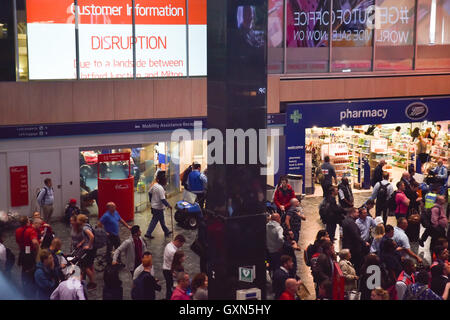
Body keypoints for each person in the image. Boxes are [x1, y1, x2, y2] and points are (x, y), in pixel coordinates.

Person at [15, 216, 40, 298]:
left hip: (22, 252)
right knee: (32, 269)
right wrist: (37, 250)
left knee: (24, 269)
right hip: (29, 253)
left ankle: (24, 285)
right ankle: (32, 290)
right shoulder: (31, 231)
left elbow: (18, 241)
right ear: (27, 222)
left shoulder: (17, 230)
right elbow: (35, 242)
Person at [145, 170, 173, 239]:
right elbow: (163, 199)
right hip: (158, 208)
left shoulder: (155, 185)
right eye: (165, 180)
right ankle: (148, 233)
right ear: (163, 181)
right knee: (155, 220)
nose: (166, 182)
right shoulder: (160, 188)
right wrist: (169, 205)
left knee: (161, 220)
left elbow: (149, 193)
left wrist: (151, 201)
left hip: (155, 207)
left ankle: (166, 231)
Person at [342, 207, 369, 274]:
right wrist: (364, 243)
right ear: (352, 213)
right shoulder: (351, 222)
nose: (358, 214)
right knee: (357, 265)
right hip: (353, 248)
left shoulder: (346, 220)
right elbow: (355, 235)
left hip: (348, 245)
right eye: (357, 212)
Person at [76, 214, 97, 290]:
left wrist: (88, 245)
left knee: (85, 266)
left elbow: (91, 236)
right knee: (90, 265)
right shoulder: (87, 225)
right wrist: (82, 243)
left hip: (89, 250)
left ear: (81, 221)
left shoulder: (85, 228)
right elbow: (86, 237)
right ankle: (92, 281)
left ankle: (92, 282)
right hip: (92, 249)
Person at [163, 234, 186, 300]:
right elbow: (176, 261)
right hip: (169, 270)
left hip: (166, 267)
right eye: (181, 244)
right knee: (170, 289)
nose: (181, 246)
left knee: (169, 288)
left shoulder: (169, 245)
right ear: (178, 241)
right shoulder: (173, 251)